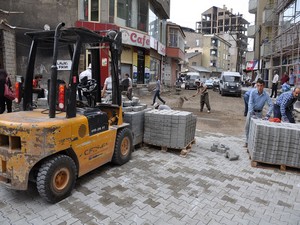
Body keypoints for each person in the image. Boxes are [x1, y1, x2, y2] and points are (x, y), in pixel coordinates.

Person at [244, 78, 273, 148]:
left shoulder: (266, 95)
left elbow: (271, 105)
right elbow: (250, 103)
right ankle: (247, 141)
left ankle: (254, 143)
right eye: (258, 85)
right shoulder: (253, 92)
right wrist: (251, 112)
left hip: (259, 113)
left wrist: (268, 115)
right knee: (247, 127)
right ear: (256, 86)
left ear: (263, 86)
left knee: (257, 129)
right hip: (252, 112)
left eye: (261, 86)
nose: (259, 87)